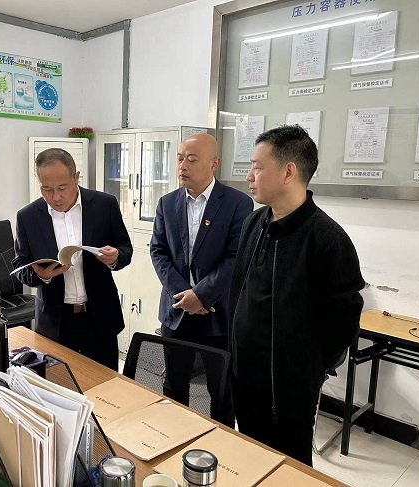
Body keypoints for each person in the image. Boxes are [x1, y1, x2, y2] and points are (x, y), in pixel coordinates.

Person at [229, 125, 365, 466]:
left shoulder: (327, 240)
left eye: (258, 167)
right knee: (249, 457)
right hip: (243, 374)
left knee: (289, 467)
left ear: (288, 172)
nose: (249, 176)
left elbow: (342, 324)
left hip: (288, 389)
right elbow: (239, 290)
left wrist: (309, 367)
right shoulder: (254, 223)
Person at [150, 133, 252, 426]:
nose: (183, 165)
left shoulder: (238, 204)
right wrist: (186, 295)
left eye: (192, 159)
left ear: (214, 164)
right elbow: (158, 251)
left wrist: (202, 296)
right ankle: (176, 438)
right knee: (174, 386)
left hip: (218, 314)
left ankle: (220, 446)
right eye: (180, 158)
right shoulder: (167, 203)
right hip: (177, 310)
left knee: (220, 391)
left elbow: (236, 257)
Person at [13, 148, 132, 371]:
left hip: (99, 317)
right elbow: (20, 266)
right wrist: (42, 276)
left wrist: (115, 257)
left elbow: (125, 248)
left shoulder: (104, 204)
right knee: (59, 385)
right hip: (56, 322)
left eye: (62, 188)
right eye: (47, 189)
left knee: (105, 384)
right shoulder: (28, 216)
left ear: (76, 177)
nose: (55, 197)